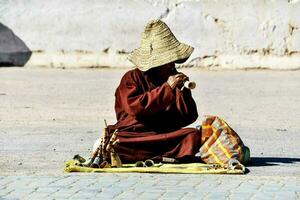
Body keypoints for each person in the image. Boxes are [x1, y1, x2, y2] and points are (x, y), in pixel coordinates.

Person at [105, 19, 201, 164]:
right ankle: (164, 156)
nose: (172, 66)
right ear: (155, 63)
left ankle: (153, 156)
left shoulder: (170, 80)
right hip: (135, 136)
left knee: (192, 135)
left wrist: (183, 93)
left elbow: (188, 117)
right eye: (168, 62)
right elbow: (135, 108)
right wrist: (167, 89)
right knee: (114, 143)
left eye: (173, 61)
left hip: (162, 134)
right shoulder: (131, 78)